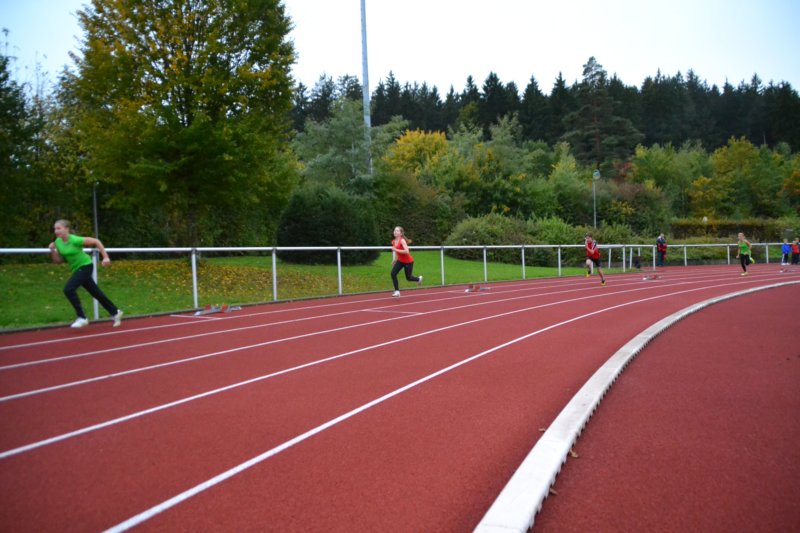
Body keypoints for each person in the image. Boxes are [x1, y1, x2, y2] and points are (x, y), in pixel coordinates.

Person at [49, 219, 123, 328]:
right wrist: (52, 250)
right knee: (95, 292)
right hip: (77, 269)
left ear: (67, 229)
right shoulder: (58, 242)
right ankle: (115, 311)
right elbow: (58, 261)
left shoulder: (75, 240)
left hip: (86, 266)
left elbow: (96, 241)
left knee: (68, 289)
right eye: (55, 229)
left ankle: (82, 317)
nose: (56, 231)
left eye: (59, 228)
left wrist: (106, 257)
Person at [390, 226, 422, 297]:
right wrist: (394, 260)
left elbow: (406, 251)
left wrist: (395, 250)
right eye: (394, 230)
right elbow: (397, 253)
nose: (395, 232)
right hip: (400, 261)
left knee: (409, 278)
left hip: (408, 262)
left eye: (397, 231)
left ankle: (419, 279)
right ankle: (397, 291)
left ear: (401, 233)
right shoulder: (393, 241)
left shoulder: (402, 240)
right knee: (393, 274)